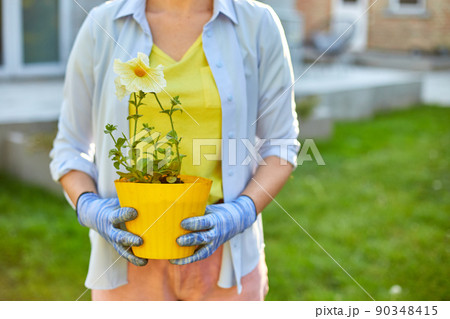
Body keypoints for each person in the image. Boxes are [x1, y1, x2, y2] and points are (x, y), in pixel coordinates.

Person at [50, 0, 299, 301]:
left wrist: (241, 212)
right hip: (128, 265)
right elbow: (69, 147)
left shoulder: (257, 23)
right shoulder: (103, 24)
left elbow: (281, 144)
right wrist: (90, 206)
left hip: (227, 264)